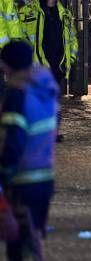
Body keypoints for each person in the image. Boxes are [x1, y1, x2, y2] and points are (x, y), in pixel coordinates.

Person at [0, 41, 58, 260]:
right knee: (33, 242)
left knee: (20, 248)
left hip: (22, 183)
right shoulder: (45, 91)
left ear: (8, 66)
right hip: (44, 178)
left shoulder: (18, 96)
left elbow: (12, 144)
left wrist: (3, 177)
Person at [20, 0, 78, 142]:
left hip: (57, 65)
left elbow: (72, 39)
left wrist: (70, 60)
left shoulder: (65, 14)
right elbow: (20, 36)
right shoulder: (28, 12)